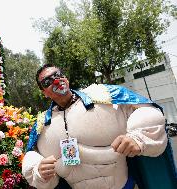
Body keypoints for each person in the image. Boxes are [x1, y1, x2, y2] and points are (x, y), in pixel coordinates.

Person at [22, 64, 177, 189]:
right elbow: (33, 158)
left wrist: (139, 137)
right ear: (44, 92)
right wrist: (39, 171)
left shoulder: (103, 95)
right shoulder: (42, 126)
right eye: (47, 81)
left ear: (66, 78)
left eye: (58, 75)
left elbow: (147, 109)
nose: (56, 81)